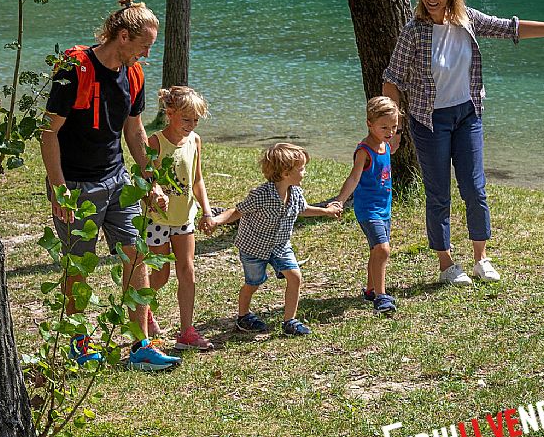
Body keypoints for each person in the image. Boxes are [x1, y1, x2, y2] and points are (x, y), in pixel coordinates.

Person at [382, 0, 544, 286]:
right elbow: (392, 80)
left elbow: (512, 28)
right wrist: (392, 128)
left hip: (467, 115)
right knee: (439, 194)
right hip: (430, 121)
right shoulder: (413, 32)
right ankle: (447, 264)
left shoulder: (468, 21)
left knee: (475, 189)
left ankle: (481, 259)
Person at [40, 0, 180, 371]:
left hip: (119, 182)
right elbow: (48, 132)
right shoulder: (75, 67)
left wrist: (150, 179)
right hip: (77, 187)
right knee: (79, 267)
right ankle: (79, 343)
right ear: (121, 36)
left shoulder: (133, 75)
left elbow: (133, 132)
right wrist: (59, 189)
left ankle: (141, 345)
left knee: (137, 257)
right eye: (143, 46)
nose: (146, 55)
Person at [204, 143, 341, 336]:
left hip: (280, 246)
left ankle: (289, 321)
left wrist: (327, 211)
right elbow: (237, 211)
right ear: (285, 173)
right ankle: (243, 317)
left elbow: (303, 209)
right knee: (253, 283)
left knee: (295, 277)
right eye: (301, 169)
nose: (305, 172)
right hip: (253, 248)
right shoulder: (261, 195)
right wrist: (216, 221)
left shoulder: (296, 193)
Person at [144, 86, 215, 351]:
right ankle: (143, 308)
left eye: (195, 120)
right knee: (160, 275)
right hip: (158, 220)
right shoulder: (155, 142)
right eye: (186, 119)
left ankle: (187, 331)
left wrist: (207, 211)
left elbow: (197, 179)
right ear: (170, 113)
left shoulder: (195, 141)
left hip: (185, 218)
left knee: (188, 272)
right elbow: (146, 179)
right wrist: (155, 193)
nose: (191, 125)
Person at [329, 96, 402, 315]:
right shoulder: (364, 151)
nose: (389, 132)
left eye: (394, 126)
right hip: (368, 210)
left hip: (384, 208)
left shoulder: (385, 145)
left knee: (375, 249)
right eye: (384, 127)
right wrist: (340, 200)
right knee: (382, 248)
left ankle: (370, 289)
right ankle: (381, 297)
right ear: (369, 123)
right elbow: (353, 178)